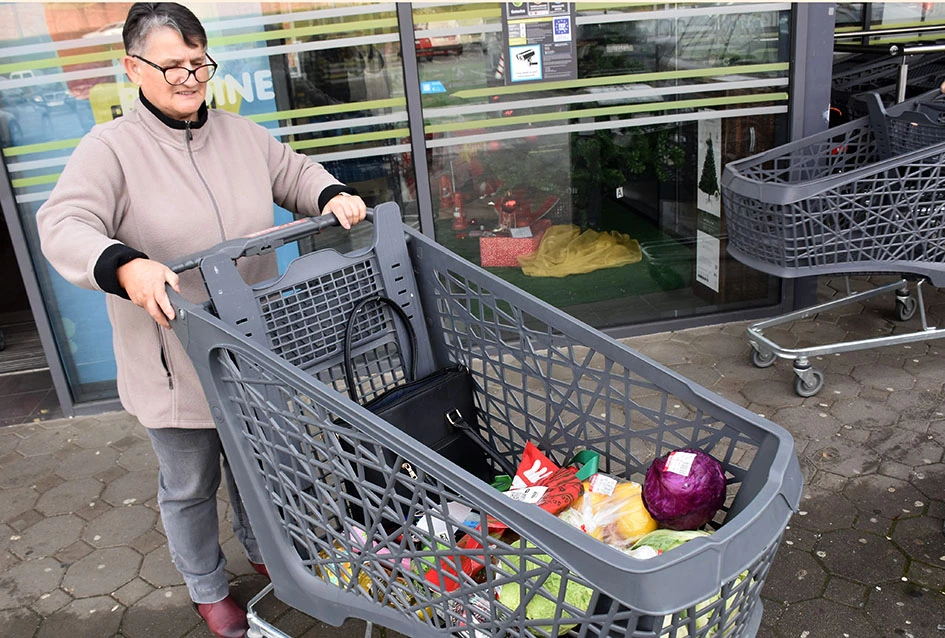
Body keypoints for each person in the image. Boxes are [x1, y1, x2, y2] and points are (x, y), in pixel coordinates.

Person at [36, 3, 366, 637]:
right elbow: (64, 224)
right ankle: (207, 586)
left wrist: (329, 193)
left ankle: (266, 546)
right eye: (173, 65)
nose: (190, 77)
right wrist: (123, 264)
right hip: (174, 358)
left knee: (264, 462)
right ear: (133, 68)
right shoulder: (110, 150)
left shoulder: (241, 135)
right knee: (189, 483)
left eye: (199, 63)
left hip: (256, 345)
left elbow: (292, 171)